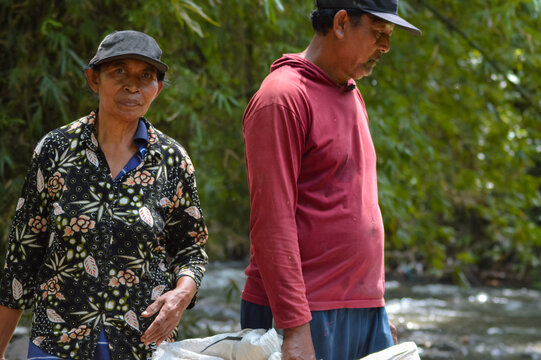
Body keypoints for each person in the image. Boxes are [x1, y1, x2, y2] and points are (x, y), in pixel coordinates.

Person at [0, 30, 208, 360]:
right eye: (119, 71)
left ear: (158, 89)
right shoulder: (56, 150)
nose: (133, 85)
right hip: (58, 341)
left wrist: (181, 294)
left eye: (146, 76)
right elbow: (22, 258)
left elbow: (190, 249)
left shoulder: (172, 160)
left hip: (141, 343)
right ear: (94, 79)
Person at [240, 1, 420, 359]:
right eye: (378, 33)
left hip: (357, 309)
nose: (385, 47)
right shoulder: (283, 98)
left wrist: (372, 307)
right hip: (306, 313)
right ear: (340, 23)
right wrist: (294, 327)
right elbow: (271, 224)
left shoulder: (350, 92)